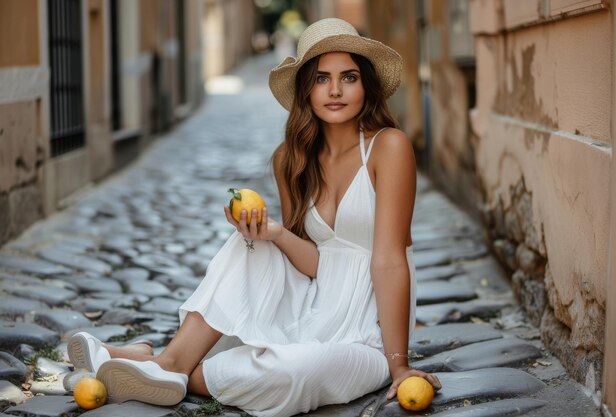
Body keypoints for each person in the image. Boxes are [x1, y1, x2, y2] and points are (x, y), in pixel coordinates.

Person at [66, 17, 441, 417]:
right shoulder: (290, 160)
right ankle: (170, 364)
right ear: (305, 90)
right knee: (252, 241)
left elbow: (387, 260)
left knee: (298, 370)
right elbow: (313, 267)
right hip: (310, 310)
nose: (334, 90)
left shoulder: (389, 148)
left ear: (366, 85)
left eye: (348, 77)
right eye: (320, 78)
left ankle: (156, 363)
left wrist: (398, 361)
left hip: (365, 336)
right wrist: (274, 233)